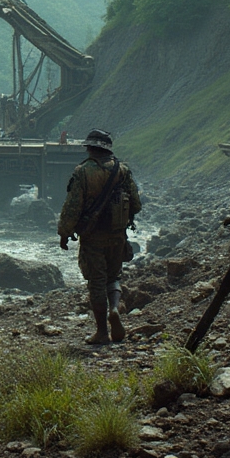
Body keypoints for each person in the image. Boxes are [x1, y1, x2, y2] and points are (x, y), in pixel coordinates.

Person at [57, 129, 142, 346]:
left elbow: (72, 207)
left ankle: (102, 332)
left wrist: (64, 233)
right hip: (117, 235)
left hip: (93, 237)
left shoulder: (83, 172)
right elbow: (136, 204)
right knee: (114, 277)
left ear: (90, 148)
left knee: (96, 282)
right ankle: (114, 308)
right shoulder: (122, 170)